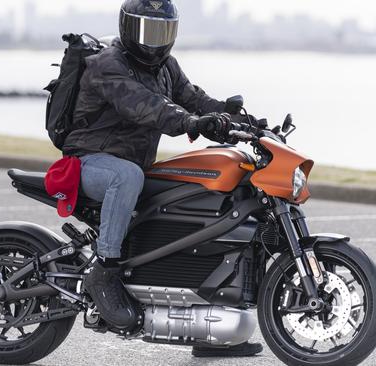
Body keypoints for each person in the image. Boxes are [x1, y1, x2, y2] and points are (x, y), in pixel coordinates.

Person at [63, 0, 262, 357]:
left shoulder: (167, 67)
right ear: (128, 27)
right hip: (91, 163)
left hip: (136, 167)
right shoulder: (107, 63)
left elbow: (195, 99)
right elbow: (143, 105)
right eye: (146, 30)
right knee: (126, 177)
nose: (154, 41)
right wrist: (189, 123)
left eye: (162, 32)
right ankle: (104, 272)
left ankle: (208, 322)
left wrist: (240, 121)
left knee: (197, 196)